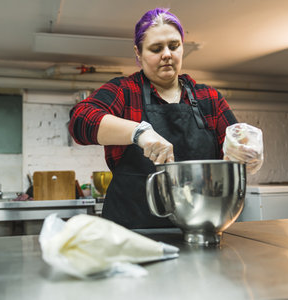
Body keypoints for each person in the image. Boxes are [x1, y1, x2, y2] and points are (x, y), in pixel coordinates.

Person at [68, 8, 263, 229]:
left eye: (174, 45)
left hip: (198, 228)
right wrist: (139, 133)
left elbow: (234, 153)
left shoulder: (209, 98)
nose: (167, 54)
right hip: (131, 232)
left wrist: (245, 150)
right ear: (138, 53)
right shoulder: (124, 91)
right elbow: (80, 120)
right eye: (156, 48)